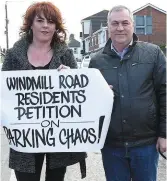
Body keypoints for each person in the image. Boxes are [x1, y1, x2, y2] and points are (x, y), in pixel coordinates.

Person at [2, 2, 86, 181]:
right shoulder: (13, 55)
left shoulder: (66, 54)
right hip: (24, 137)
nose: (46, 26)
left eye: (51, 21)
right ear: (30, 24)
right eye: (40, 20)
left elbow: (78, 97)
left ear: (57, 27)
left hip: (58, 136)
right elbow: (4, 95)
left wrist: (71, 79)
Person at [89, 5, 166, 181]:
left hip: (145, 144)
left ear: (133, 25)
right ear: (108, 27)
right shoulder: (96, 62)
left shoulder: (153, 54)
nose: (120, 28)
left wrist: (164, 134)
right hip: (112, 145)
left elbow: (164, 93)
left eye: (125, 23)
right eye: (115, 23)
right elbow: (88, 102)